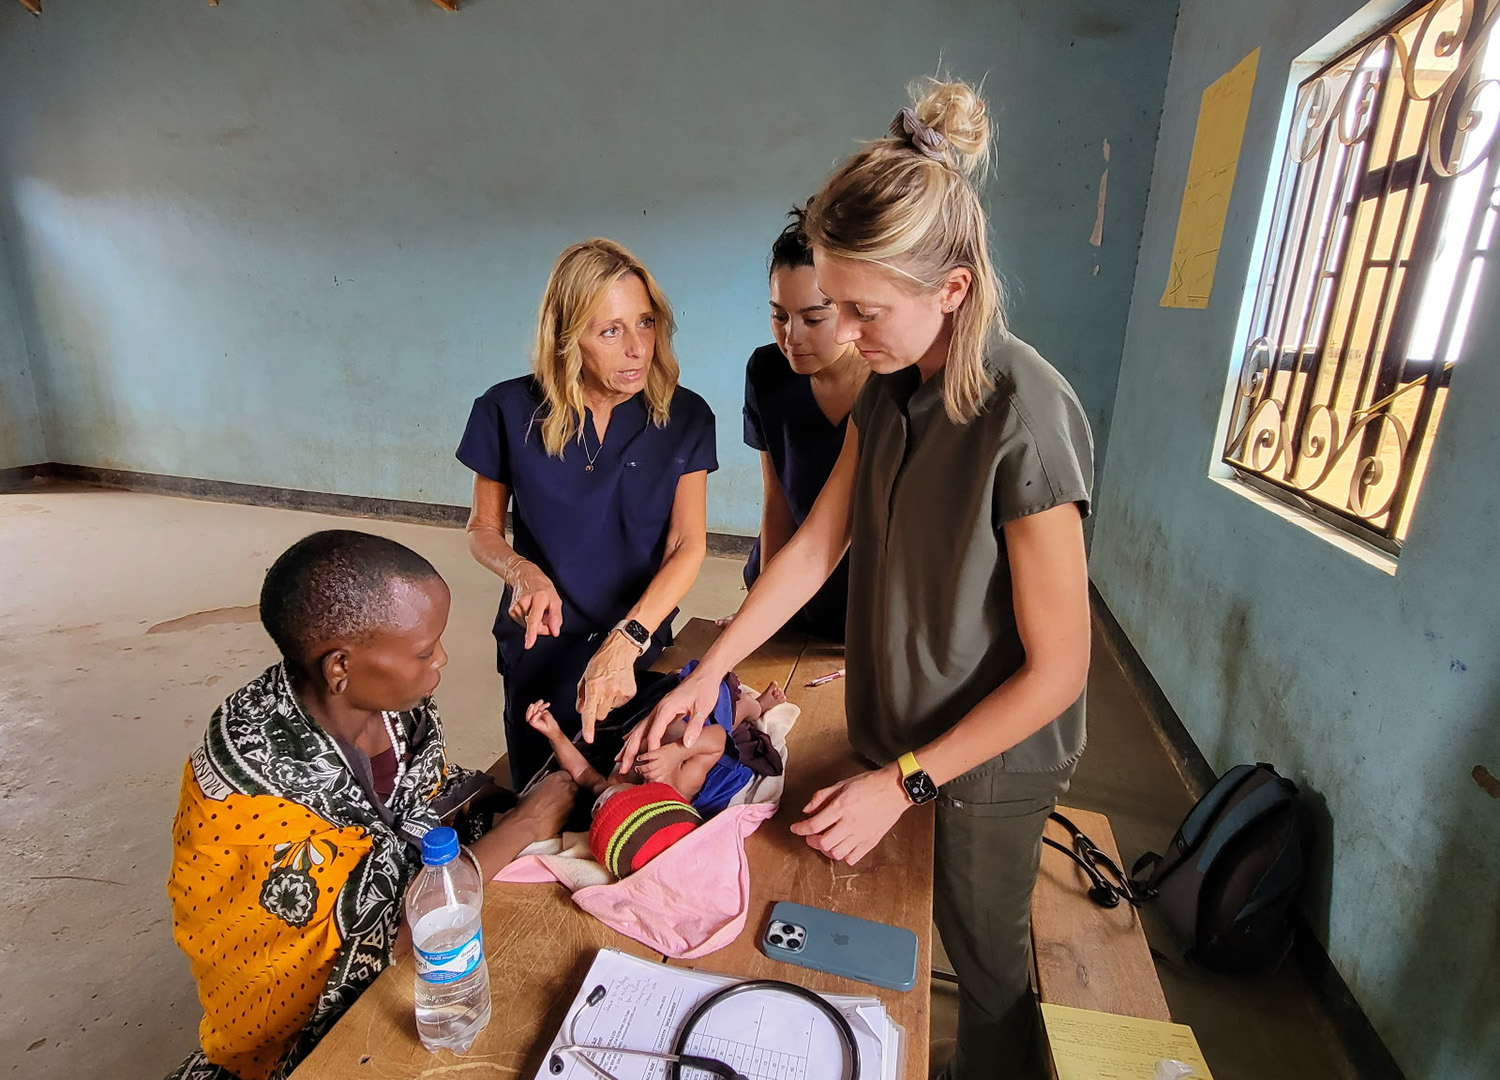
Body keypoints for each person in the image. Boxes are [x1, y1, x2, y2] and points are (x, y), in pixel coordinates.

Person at [623, 80, 1093, 1080]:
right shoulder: (889, 390)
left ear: (951, 290)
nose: (842, 332)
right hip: (898, 718)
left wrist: (908, 780)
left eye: (863, 310)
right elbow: (812, 547)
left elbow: (1059, 670)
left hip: (991, 755)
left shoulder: (1025, 419)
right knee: (889, 911)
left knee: (984, 954)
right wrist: (713, 669)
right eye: (832, 306)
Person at [165, 531, 576, 1080]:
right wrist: (525, 824)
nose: (442, 659)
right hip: (292, 1036)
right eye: (425, 651)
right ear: (339, 667)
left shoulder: (397, 710)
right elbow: (388, 940)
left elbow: (424, 803)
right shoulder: (251, 797)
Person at [456, 239, 717, 788]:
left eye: (645, 322)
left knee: (630, 789)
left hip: (640, 637)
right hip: (541, 641)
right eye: (610, 331)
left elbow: (687, 545)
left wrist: (629, 638)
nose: (637, 349)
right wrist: (521, 572)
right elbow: (482, 529)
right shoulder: (505, 410)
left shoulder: (686, 416)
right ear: (567, 337)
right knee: (539, 791)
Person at [738, 209, 869, 641]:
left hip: (867, 597)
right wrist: (764, 613)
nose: (792, 337)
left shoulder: (888, 384)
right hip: (788, 580)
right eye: (779, 316)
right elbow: (777, 499)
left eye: (813, 319)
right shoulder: (766, 372)